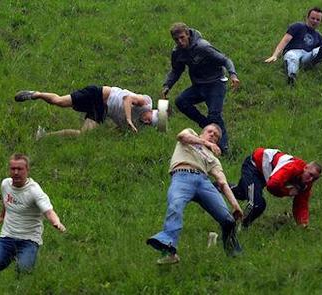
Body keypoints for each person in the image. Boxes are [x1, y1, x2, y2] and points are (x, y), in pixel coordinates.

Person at [147, 124, 243, 264]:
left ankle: (234, 255)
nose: (212, 135)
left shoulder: (213, 158)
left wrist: (235, 205)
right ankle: (169, 249)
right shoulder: (190, 134)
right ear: (202, 133)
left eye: (216, 135)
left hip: (204, 182)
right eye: (210, 131)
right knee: (175, 206)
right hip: (182, 176)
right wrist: (205, 143)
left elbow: (222, 182)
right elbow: (181, 136)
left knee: (228, 219)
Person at [0, 154, 66, 290]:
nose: (16, 172)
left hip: (29, 240)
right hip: (7, 238)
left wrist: (57, 222)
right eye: (13, 168)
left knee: (24, 270)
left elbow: (49, 211)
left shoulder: (34, 191)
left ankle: (18, 291)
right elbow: (7, 201)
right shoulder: (5, 184)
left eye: (20, 169)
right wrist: (1, 217)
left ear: (27, 170)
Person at [161, 22, 240, 153]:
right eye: (176, 39)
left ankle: (224, 149)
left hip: (215, 83)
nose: (180, 42)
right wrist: (167, 85)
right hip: (199, 85)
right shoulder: (177, 52)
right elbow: (176, 70)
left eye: (182, 37)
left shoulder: (203, 46)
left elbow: (225, 60)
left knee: (215, 115)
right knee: (181, 101)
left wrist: (233, 74)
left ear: (187, 34)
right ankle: (205, 124)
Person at [14, 86, 158, 140]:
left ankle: (44, 136)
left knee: (83, 135)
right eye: (149, 119)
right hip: (99, 94)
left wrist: (122, 133)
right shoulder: (145, 103)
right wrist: (128, 119)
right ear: (152, 112)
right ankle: (36, 94)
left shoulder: (138, 126)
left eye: (149, 124)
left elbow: (117, 131)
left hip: (102, 110)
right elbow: (127, 99)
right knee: (60, 102)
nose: (146, 122)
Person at [229, 148, 322, 228]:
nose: (310, 179)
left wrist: (303, 223)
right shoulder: (292, 167)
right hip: (253, 166)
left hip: (263, 173)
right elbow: (272, 185)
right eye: (310, 175)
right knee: (257, 204)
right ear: (305, 168)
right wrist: (288, 192)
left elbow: (301, 204)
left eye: (315, 178)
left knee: (241, 194)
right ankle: (239, 227)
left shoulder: (307, 183)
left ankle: (218, 186)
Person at [265, 7, 322, 85]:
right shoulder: (298, 26)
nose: (315, 21)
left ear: (321, 22)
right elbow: (285, 40)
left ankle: (315, 59)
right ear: (307, 18)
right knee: (292, 57)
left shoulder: (319, 36)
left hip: (306, 55)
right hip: (293, 51)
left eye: (318, 20)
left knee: (318, 50)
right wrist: (275, 55)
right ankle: (292, 75)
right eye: (313, 18)